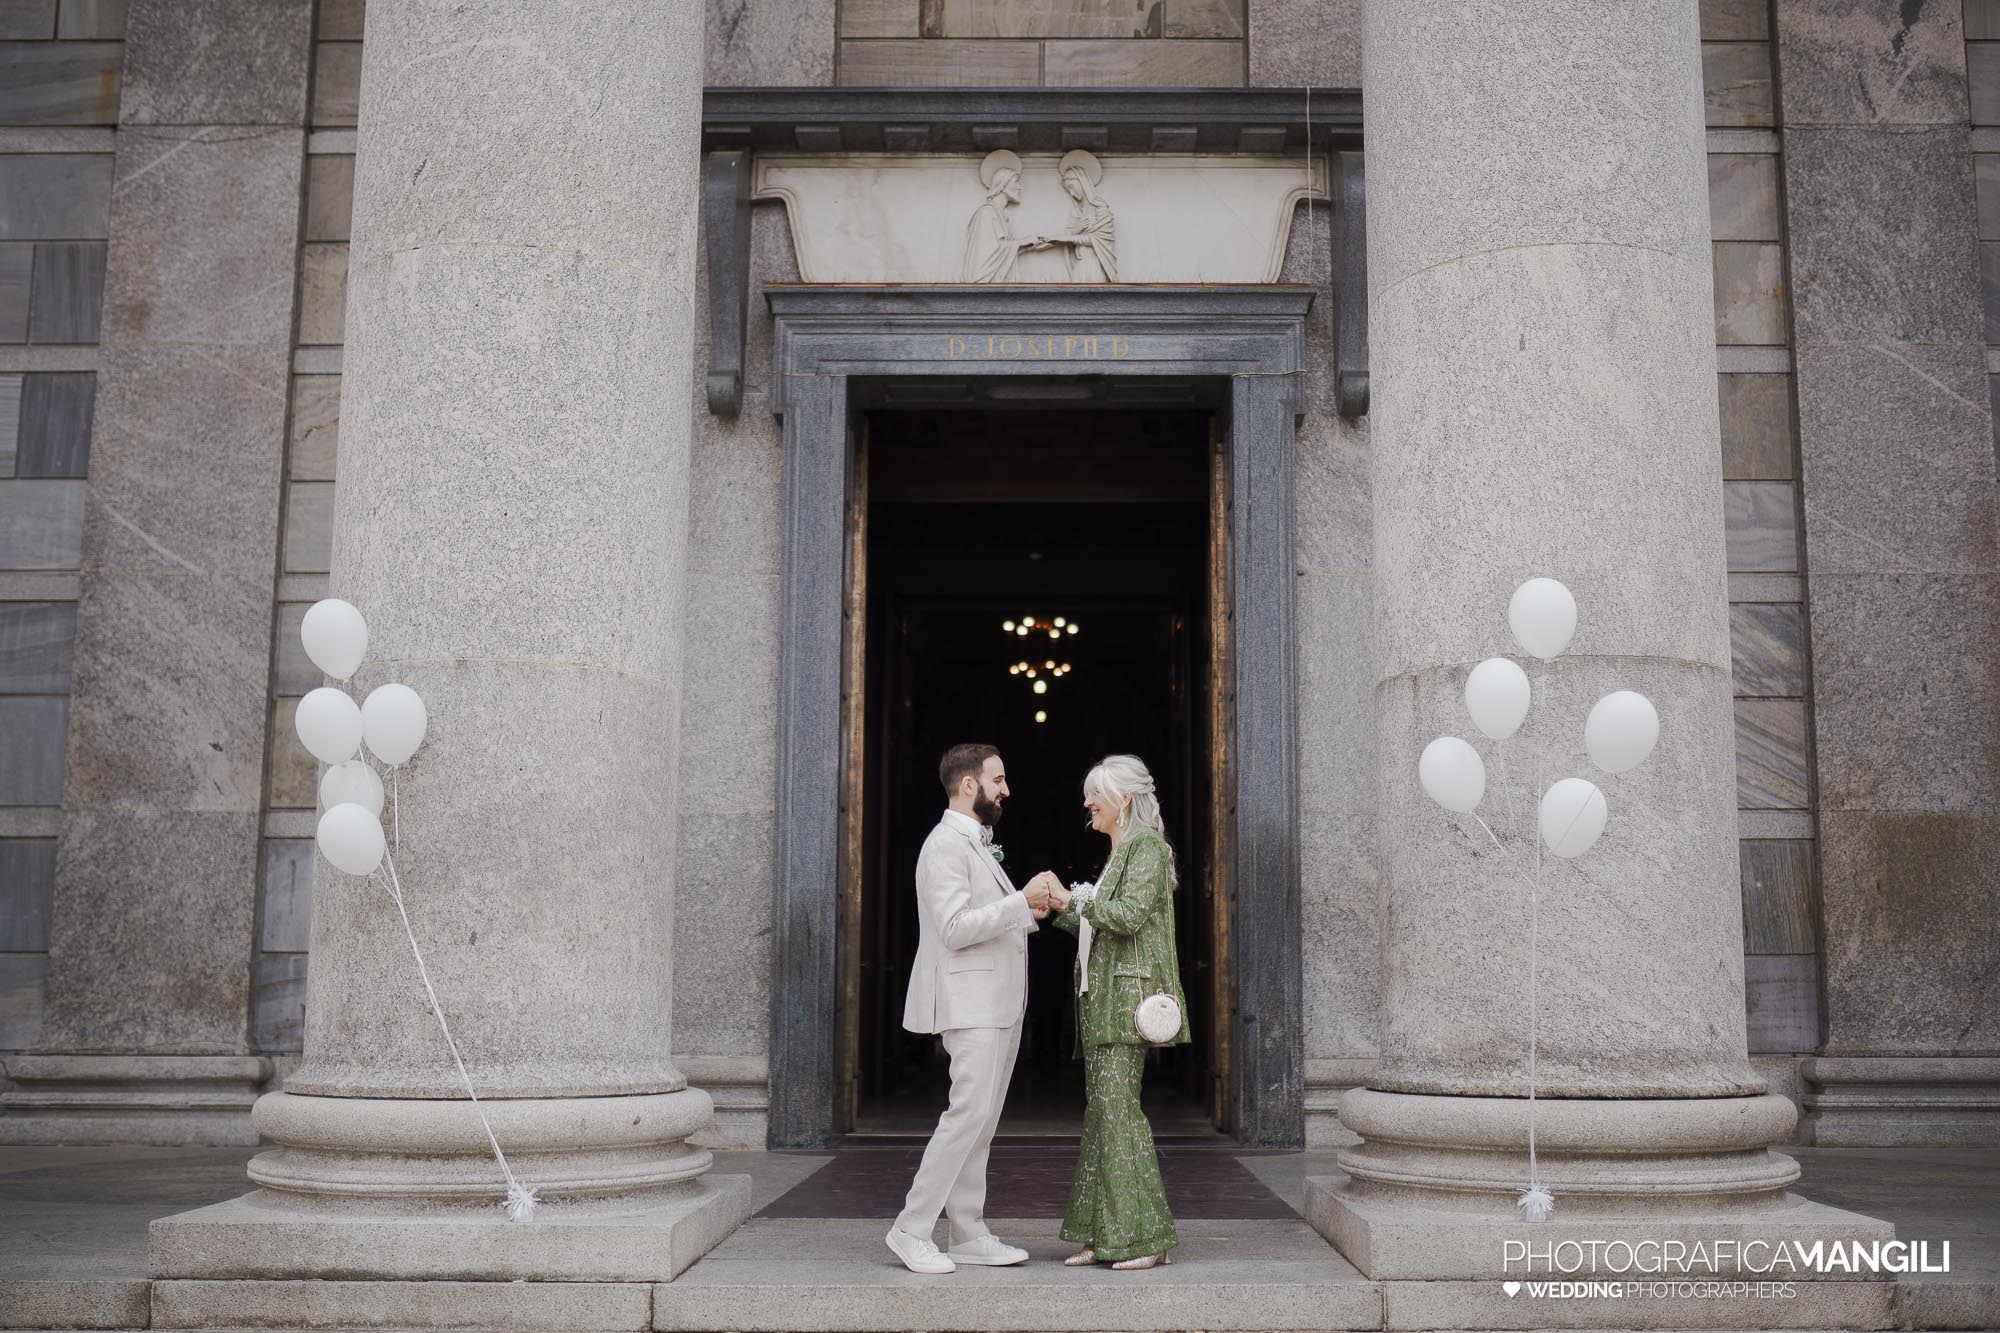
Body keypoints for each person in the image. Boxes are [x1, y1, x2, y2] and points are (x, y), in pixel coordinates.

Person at [885, 742, 1063, 1274]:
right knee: (964, 1117)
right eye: (998, 779)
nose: (1006, 789)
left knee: (980, 1122)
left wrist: (1027, 906)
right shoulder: (944, 845)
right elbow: (955, 928)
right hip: (969, 1004)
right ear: (970, 785)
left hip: (996, 1003)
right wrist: (1019, 900)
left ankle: (967, 1231)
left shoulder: (978, 843)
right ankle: (911, 1228)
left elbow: (987, 917)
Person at [1045, 754, 1191, 1271]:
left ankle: (1146, 1237)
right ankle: (1103, 1233)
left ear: (1122, 800)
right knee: (1104, 1115)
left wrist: (1068, 900)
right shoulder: (1122, 851)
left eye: (1095, 796)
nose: (1087, 804)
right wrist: (1058, 910)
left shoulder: (1146, 847)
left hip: (1125, 1003)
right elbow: (1100, 928)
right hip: (1103, 1000)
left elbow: (1126, 918)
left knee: (1118, 1114)